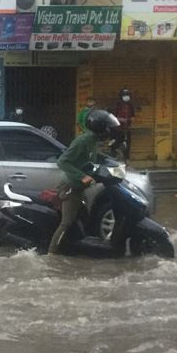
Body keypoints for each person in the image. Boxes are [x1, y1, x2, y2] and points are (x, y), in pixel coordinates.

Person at [48, 109, 119, 255]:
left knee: (84, 218)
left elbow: (94, 155)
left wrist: (113, 162)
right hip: (70, 187)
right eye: (107, 128)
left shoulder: (92, 141)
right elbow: (62, 162)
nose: (109, 131)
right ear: (101, 128)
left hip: (80, 189)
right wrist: (82, 176)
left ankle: (77, 248)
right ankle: (51, 255)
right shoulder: (82, 141)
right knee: (66, 223)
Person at [110, 88, 135, 160]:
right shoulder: (117, 105)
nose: (126, 97)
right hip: (116, 129)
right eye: (124, 95)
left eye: (127, 95)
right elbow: (113, 116)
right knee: (114, 144)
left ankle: (127, 161)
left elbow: (133, 117)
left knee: (127, 146)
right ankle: (113, 159)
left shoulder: (130, 105)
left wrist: (129, 120)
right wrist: (120, 120)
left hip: (126, 129)